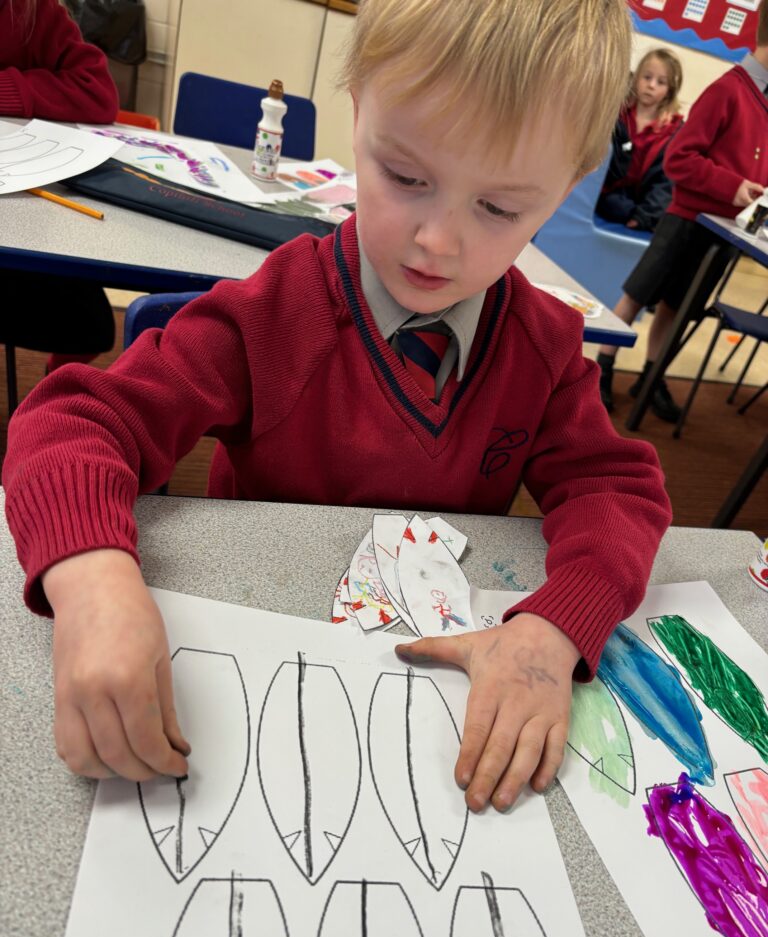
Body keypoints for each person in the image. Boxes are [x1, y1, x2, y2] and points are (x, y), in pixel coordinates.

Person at [2, 0, 672, 814]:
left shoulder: (541, 348)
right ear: (359, 118)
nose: (437, 242)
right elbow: (72, 423)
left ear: (563, 190)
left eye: (498, 209)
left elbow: (617, 489)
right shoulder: (277, 313)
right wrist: (93, 582)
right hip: (248, 694)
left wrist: (557, 627)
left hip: (427, 725)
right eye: (405, 177)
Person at [598, 6, 768, 419]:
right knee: (635, 297)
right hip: (686, 223)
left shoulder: (762, 101)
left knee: (677, 308)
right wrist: (732, 187)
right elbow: (680, 159)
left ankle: (651, 377)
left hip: (725, 233)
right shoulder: (730, 89)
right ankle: (601, 370)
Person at [0, 0, 119, 375]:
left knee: (91, 327)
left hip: (22, 219)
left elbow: (99, 92)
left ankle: (56, 392)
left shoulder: (31, 12)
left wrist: (9, 90)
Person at [596, 48, 684, 233]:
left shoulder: (671, 132)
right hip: (604, 192)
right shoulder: (616, 113)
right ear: (636, 79)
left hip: (638, 202)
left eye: (661, 82)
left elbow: (665, 182)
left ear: (669, 91)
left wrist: (644, 216)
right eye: (647, 77)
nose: (651, 85)